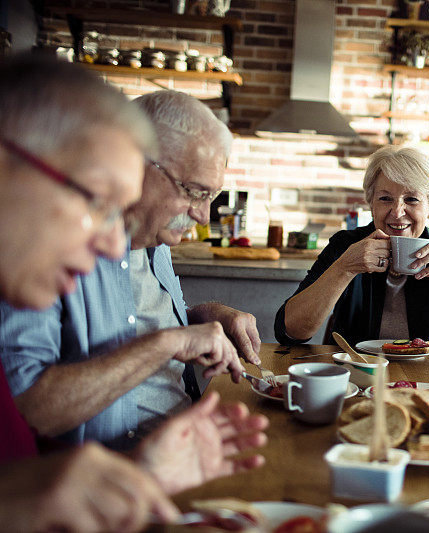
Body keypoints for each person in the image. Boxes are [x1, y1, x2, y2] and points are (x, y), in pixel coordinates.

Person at [0, 55, 267, 532]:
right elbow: (32, 417)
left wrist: (139, 472)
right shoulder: (27, 278)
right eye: (98, 201)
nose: (109, 243)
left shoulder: (152, 242)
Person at [275, 145, 429, 352]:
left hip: (427, 380)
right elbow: (290, 332)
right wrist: (344, 268)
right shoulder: (346, 245)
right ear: (370, 203)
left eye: (411, 199)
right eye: (385, 198)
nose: (397, 212)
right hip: (355, 376)